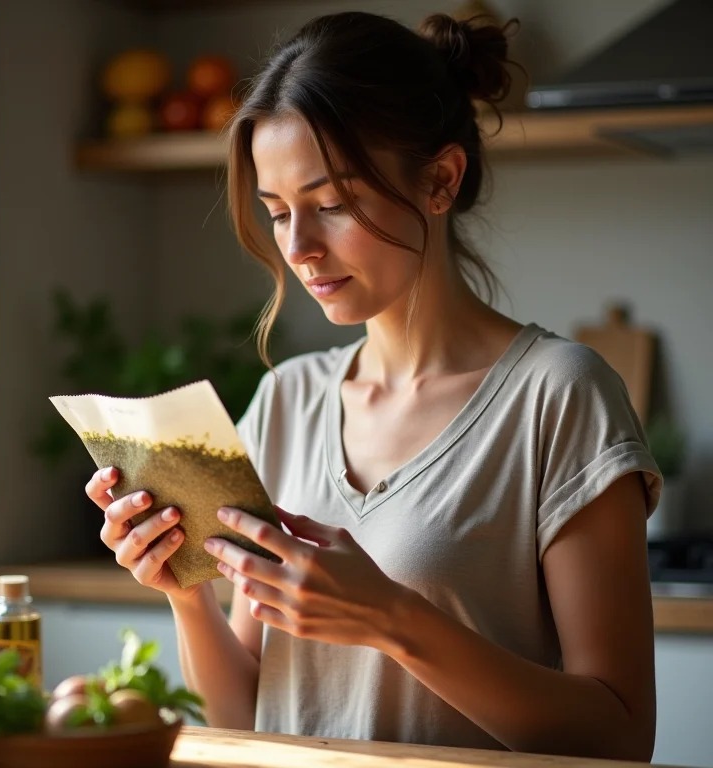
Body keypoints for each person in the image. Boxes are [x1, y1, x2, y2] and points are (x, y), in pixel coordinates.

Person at [86, 10, 662, 761]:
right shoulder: (286, 402)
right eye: (278, 213)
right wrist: (185, 592)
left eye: (331, 205)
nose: (298, 247)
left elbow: (620, 738)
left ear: (441, 180)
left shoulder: (560, 398)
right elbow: (247, 714)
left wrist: (392, 618)